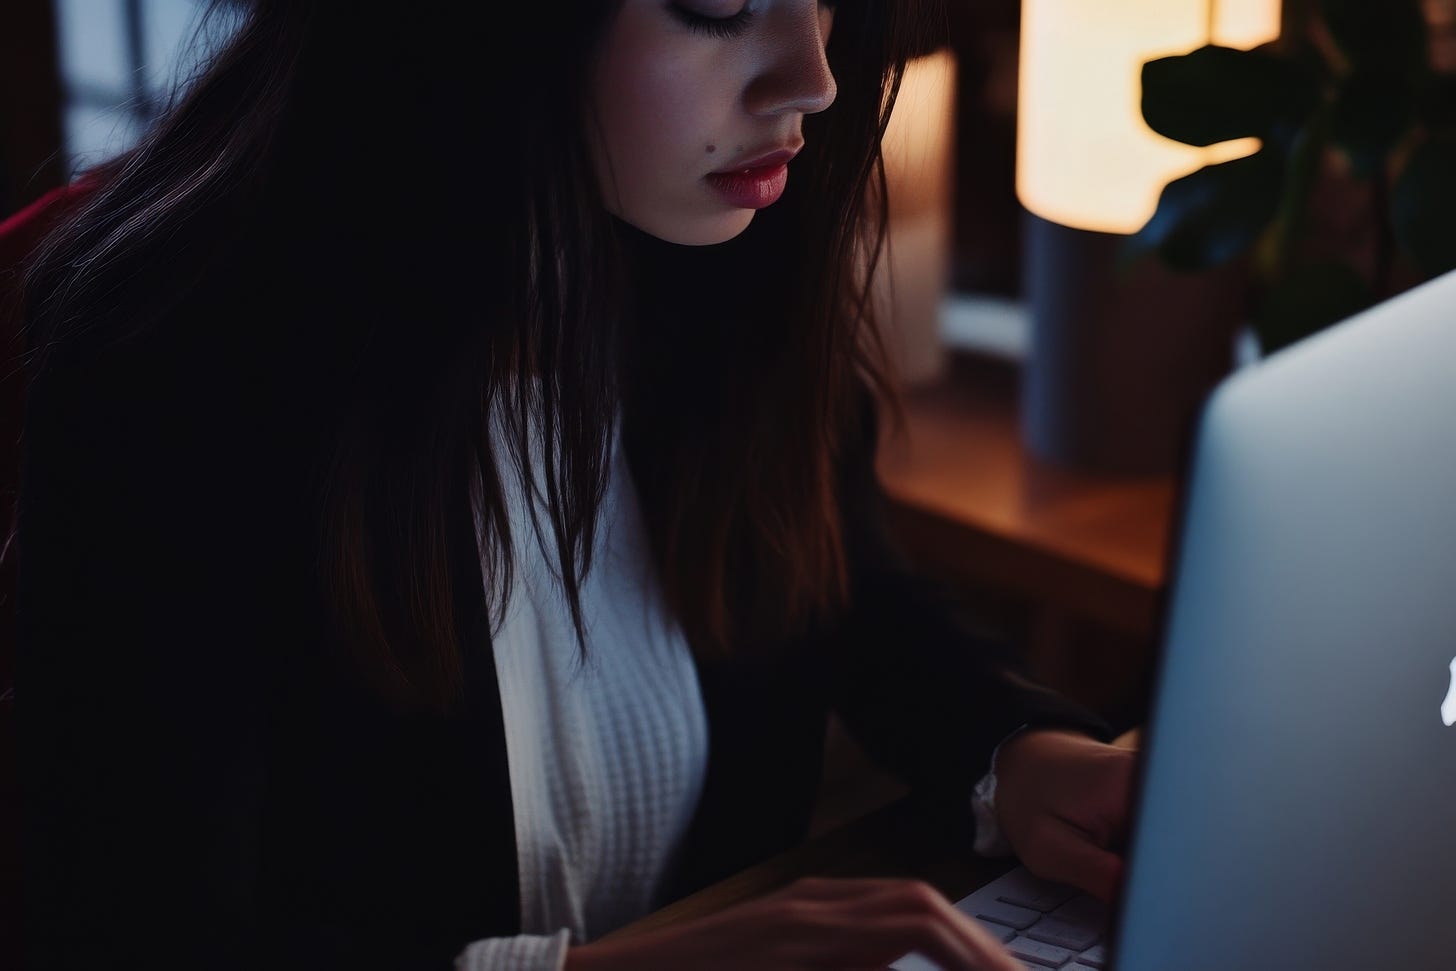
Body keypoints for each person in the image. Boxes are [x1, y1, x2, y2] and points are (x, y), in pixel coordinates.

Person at [7, 0, 1137, 968]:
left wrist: (1017, 755)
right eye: (718, 3)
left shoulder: (703, 251)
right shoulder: (170, 380)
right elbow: (126, 927)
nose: (818, 76)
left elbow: (837, 582)